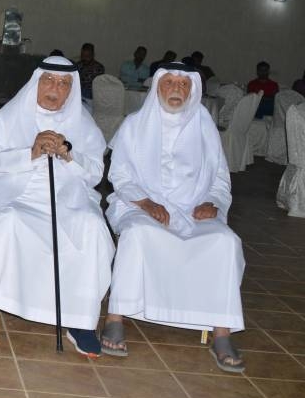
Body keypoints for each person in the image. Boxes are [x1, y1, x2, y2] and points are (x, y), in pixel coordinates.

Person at [101, 63, 246, 373]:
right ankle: (115, 318)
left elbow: (221, 178)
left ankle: (222, 332)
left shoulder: (204, 125)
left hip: (193, 209)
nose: (176, 89)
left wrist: (212, 202)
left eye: (183, 84)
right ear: (157, 87)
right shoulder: (135, 123)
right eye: (170, 83)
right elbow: (120, 174)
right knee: (138, 235)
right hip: (139, 205)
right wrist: (145, 202)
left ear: (192, 90)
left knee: (226, 242)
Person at [0, 56, 113, 356]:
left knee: (92, 228)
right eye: (49, 80)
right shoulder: (11, 115)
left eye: (64, 84)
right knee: (9, 220)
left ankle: (81, 320)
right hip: (17, 192)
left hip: (68, 195)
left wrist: (68, 154)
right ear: (37, 82)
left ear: (71, 90)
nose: (55, 88)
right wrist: (31, 152)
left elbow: (95, 174)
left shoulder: (84, 123)